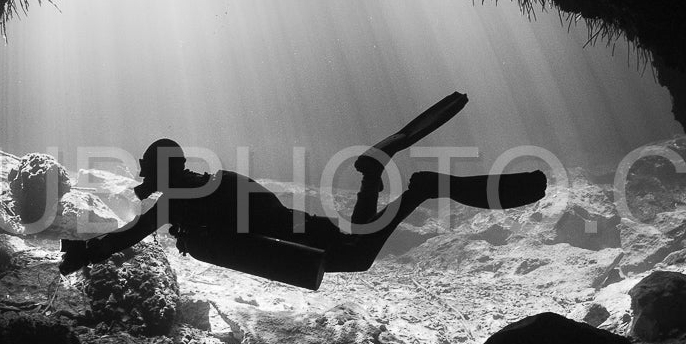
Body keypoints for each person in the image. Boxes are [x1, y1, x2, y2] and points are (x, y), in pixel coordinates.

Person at [58, 93, 546, 288]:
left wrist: (86, 251)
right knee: (358, 242)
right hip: (295, 232)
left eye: (150, 173)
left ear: (163, 173)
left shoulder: (179, 202)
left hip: (295, 238)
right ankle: (382, 173)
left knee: (357, 255)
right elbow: (257, 207)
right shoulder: (206, 185)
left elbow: (131, 234)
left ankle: (408, 182)